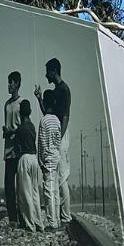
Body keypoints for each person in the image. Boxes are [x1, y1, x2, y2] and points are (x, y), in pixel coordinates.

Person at [37, 57, 73, 223]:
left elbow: (65, 117)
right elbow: (48, 113)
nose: (46, 76)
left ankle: (65, 215)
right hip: (57, 132)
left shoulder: (64, 90)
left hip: (60, 134)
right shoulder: (57, 90)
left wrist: (58, 140)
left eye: (47, 72)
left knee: (62, 176)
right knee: (58, 176)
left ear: (53, 71)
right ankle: (61, 215)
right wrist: (39, 98)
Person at [37, 89, 67, 228]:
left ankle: (51, 222)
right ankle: (58, 220)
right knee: (55, 190)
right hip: (56, 157)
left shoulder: (44, 121)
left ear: (45, 102)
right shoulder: (57, 121)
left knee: (48, 191)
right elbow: (57, 140)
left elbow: (41, 142)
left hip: (48, 159)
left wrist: (41, 160)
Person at [15, 98, 44, 230]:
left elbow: (17, 148)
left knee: (25, 193)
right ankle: (39, 222)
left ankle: (30, 224)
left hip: (25, 158)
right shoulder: (32, 126)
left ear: (20, 113)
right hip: (34, 158)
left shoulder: (20, 129)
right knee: (34, 192)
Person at [2, 71, 21, 222]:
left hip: (19, 150)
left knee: (21, 186)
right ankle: (12, 218)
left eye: (11, 82)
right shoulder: (7, 104)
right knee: (9, 185)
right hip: (8, 150)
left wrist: (12, 131)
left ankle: (22, 215)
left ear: (17, 84)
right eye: (8, 82)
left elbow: (24, 127)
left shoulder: (22, 103)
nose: (8, 85)